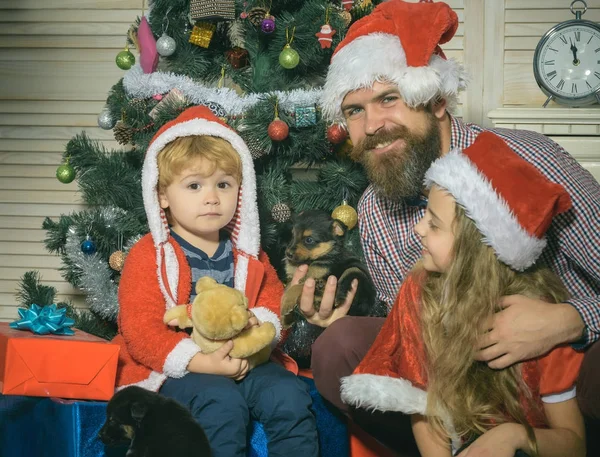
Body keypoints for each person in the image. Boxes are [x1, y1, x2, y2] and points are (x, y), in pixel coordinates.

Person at [285, 0, 600, 450]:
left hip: (562, 366)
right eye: (354, 110)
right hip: (456, 376)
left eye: (388, 98)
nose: (373, 125)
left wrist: (568, 321)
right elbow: (410, 325)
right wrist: (344, 319)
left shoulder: (528, 161)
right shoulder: (375, 208)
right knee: (339, 346)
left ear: (434, 100)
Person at [341, 131, 586, 457]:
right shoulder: (420, 293)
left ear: (477, 250)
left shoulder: (536, 319)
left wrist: (515, 437)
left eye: (435, 224)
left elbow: (574, 444)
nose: (419, 229)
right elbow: (421, 405)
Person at [112, 106, 319, 457]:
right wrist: (199, 361)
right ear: (162, 196)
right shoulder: (150, 255)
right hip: (181, 369)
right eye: (194, 185)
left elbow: (273, 309)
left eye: (223, 184)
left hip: (246, 362)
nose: (211, 197)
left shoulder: (249, 255)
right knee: (220, 403)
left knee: (289, 394)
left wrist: (260, 328)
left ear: (241, 189)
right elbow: (140, 330)